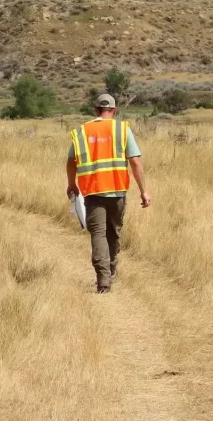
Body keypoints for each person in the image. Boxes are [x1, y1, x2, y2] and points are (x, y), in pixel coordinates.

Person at [66, 94, 150, 293]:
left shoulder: (82, 132)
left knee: (98, 233)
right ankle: (110, 271)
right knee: (113, 233)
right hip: (118, 191)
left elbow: (71, 161)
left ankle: (103, 278)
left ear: (95, 110)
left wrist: (72, 184)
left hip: (93, 191)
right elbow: (135, 161)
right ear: (115, 110)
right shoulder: (122, 129)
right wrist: (144, 191)